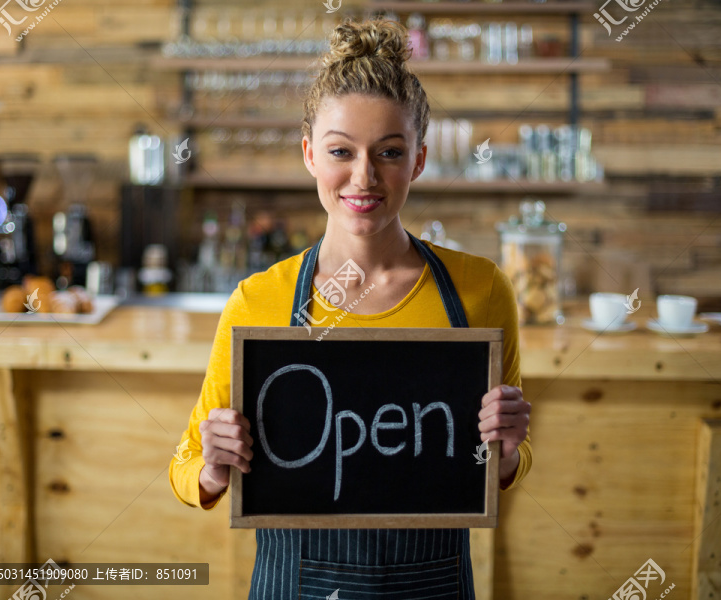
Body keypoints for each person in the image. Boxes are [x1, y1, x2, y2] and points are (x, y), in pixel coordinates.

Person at [170, 16, 531, 599]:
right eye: (342, 151)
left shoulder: (481, 290)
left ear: (418, 160)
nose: (364, 177)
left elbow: (507, 464)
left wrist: (509, 450)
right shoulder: (256, 301)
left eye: (389, 152)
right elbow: (186, 468)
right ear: (310, 154)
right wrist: (214, 467)